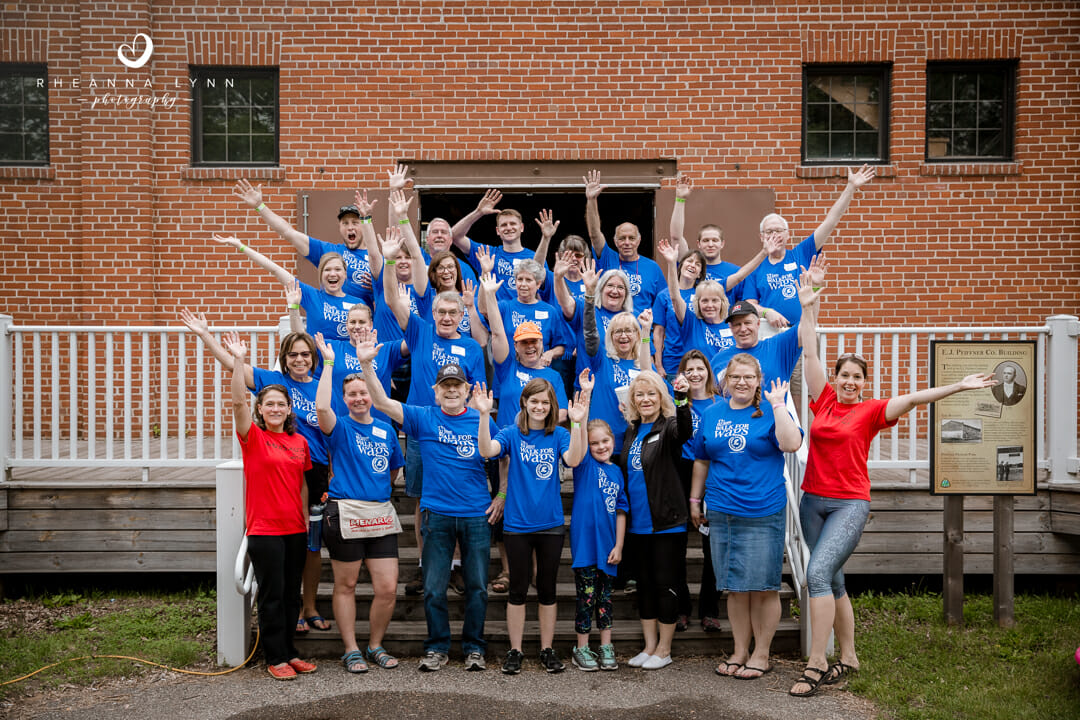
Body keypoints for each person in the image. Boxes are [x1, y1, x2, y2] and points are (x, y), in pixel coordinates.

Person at [789, 263, 996, 697]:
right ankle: (850, 656)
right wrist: (809, 307)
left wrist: (959, 386)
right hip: (813, 501)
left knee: (818, 574)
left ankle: (817, 662)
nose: (848, 381)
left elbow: (917, 398)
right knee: (835, 580)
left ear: (864, 383)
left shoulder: (872, 411)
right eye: (844, 375)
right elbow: (809, 354)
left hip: (849, 503)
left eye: (856, 377)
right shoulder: (823, 400)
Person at [180, 307, 331, 636]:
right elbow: (231, 364)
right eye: (293, 355)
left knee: (311, 545)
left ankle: (309, 606)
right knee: (288, 544)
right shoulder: (273, 383)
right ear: (284, 359)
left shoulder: (323, 385)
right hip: (280, 468)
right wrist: (205, 335)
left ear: (313, 358)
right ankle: (289, 609)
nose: (299, 360)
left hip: (314, 468)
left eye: (305, 354)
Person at [359, 335, 502, 672]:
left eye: (457, 386)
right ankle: (437, 647)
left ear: (466, 390)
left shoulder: (481, 418)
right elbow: (381, 402)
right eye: (445, 386)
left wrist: (502, 494)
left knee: (478, 588)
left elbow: (502, 457)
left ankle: (474, 648)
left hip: (476, 515)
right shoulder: (423, 417)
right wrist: (366, 365)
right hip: (437, 514)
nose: (451, 391)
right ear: (436, 392)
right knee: (434, 589)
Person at [690, 354, 803, 680]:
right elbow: (702, 459)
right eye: (735, 377)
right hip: (722, 511)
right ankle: (740, 651)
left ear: (758, 381)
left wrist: (779, 405)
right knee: (735, 588)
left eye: (748, 377)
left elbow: (792, 443)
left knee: (764, 587)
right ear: (725, 381)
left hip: (761, 511)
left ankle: (761, 654)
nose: (741, 382)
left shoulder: (770, 410)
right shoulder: (712, 413)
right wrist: (695, 500)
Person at [476, 374, 590, 675]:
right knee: (517, 589)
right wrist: (485, 415)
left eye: (545, 402)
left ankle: (546, 649)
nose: (539, 407)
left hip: (550, 524)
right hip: (517, 525)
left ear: (551, 406)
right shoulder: (512, 433)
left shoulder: (559, 434)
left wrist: (578, 423)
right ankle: (515, 650)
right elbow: (487, 451)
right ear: (524, 402)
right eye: (534, 401)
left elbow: (574, 459)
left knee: (547, 589)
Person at [224, 333, 315, 680]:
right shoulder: (253, 438)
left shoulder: (299, 442)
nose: (276, 409)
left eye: (281, 404)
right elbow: (237, 402)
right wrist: (238, 360)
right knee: (272, 595)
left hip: (295, 528)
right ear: (260, 409)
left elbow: (302, 483)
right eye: (269, 404)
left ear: (289, 409)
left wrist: (305, 518)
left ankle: (290, 652)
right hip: (265, 530)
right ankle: (274, 657)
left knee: (292, 595)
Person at [313, 332, 405, 673]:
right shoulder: (339, 427)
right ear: (345, 398)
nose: (359, 398)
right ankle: (351, 649)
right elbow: (321, 408)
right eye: (352, 394)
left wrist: (374, 487)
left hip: (379, 513)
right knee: (347, 584)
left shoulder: (386, 430)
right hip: (346, 512)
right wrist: (329, 363)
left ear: (373, 395)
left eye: (364, 392)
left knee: (387, 588)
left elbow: (394, 469)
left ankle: (375, 645)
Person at [233, 165, 410, 307]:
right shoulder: (328, 252)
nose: (350, 227)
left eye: (355, 222)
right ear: (339, 227)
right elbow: (288, 233)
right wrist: (260, 206)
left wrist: (394, 190)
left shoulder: (376, 257)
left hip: (362, 327)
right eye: (345, 223)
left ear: (363, 225)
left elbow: (395, 233)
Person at [742, 165, 876, 331]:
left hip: (803, 331)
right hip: (770, 333)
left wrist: (851, 187)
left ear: (787, 235)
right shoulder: (755, 268)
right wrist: (767, 312)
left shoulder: (801, 253)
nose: (774, 235)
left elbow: (830, 222)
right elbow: (749, 304)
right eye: (769, 232)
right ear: (761, 237)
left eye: (779, 231)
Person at [619, 370, 693, 670]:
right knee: (645, 586)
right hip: (638, 524)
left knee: (665, 584)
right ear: (633, 401)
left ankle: (664, 649)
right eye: (640, 395)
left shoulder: (670, 426)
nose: (645, 399)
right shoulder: (632, 431)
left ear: (661, 397)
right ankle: (649, 646)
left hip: (666, 522)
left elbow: (685, 431)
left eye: (651, 394)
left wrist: (682, 400)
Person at [210, 233, 362, 343]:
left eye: (337, 269)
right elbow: (275, 269)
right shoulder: (311, 296)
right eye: (327, 270)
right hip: (318, 367)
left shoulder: (358, 303)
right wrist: (241, 246)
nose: (332, 274)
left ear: (345, 274)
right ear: (321, 274)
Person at [568, 416, 628, 672]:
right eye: (594, 443)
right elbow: (579, 444)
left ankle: (605, 646)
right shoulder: (584, 464)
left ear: (613, 441)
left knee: (605, 599)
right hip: (586, 546)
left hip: (609, 548)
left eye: (605, 441)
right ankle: (581, 648)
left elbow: (622, 511)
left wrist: (619, 546)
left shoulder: (617, 472)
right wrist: (579, 420)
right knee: (587, 598)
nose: (601, 446)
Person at [581, 258, 656, 454]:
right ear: (610, 336)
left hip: (636, 441)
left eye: (629, 331)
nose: (623, 336)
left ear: (636, 335)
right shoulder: (601, 359)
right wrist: (589, 295)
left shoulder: (644, 364)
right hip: (603, 442)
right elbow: (590, 332)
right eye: (618, 331)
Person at [676, 349, 724, 632]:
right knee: (678, 545)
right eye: (689, 369)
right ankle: (681, 609)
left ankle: (709, 610)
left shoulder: (721, 404)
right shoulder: (676, 402)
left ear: (708, 372)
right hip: (680, 472)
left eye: (700, 368)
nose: (695, 374)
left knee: (712, 547)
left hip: (713, 475)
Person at [584, 170, 666, 316]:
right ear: (615, 242)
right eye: (622, 238)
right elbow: (594, 234)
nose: (627, 243)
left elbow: (662, 304)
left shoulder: (653, 268)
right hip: (610, 327)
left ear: (639, 240)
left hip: (640, 328)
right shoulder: (608, 258)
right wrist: (591, 200)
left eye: (631, 238)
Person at [452, 190, 538, 303]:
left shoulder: (535, 257)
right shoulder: (487, 253)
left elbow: (542, 292)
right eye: (504, 225)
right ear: (498, 231)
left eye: (513, 224)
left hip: (524, 312)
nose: (508, 228)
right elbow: (454, 236)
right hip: (492, 312)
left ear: (521, 227)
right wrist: (478, 212)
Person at [669, 173, 746, 291]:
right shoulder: (689, 266)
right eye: (705, 240)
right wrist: (680, 199)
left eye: (715, 240)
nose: (710, 244)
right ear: (698, 244)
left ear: (722, 244)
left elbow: (742, 301)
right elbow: (676, 237)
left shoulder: (735, 272)